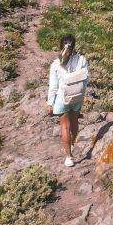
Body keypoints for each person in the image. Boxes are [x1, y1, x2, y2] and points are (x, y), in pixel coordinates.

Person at [46, 34, 89, 167]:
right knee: (74, 121)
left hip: (62, 98)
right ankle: (72, 142)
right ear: (74, 45)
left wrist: (50, 103)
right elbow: (86, 79)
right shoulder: (82, 59)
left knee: (65, 126)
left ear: (60, 46)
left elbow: (53, 86)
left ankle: (69, 158)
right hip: (77, 96)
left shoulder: (55, 64)